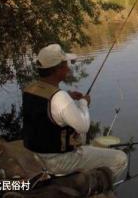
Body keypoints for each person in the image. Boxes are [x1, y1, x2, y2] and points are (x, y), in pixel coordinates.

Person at [22, 44, 127, 183]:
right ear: (58, 69)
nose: (68, 67)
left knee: (84, 142)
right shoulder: (59, 97)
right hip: (59, 162)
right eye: (66, 64)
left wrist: (69, 96)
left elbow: (47, 108)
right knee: (121, 158)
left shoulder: (31, 88)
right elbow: (84, 126)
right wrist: (84, 103)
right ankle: (92, 187)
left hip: (37, 155)